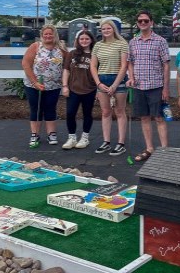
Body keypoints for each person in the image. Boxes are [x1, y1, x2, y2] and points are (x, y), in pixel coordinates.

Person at [127, 10, 170, 162]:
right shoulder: (133, 42)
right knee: (144, 118)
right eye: (140, 21)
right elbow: (130, 62)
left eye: (146, 20)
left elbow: (166, 65)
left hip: (156, 86)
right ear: (137, 24)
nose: (143, 23)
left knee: (159, 118)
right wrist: (131, 78)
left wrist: (166, 88)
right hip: (139, 87)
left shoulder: (160, 41)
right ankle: (150, 148)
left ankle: (164, 150)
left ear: (152, 22)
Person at [22, 25, 67, 148]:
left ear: (55, 35)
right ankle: (34, 134)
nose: (48, 36)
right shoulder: (36, 46)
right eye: (45, 34)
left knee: (50, 108)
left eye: (50, 34)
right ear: (42, 35)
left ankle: (51, 134)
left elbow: (67, 65)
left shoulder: (61, 48)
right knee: (36, 109)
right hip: (34, 85)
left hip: (53, 85)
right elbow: (26, 64)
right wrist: (35, 82)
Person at [90, 19, 129, 156]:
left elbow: (124, 66)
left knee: (119, 112)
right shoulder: (98, 45)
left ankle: (120, 143)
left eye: (108, 28)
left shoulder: (122, 44)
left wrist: (115, 85)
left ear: (113, 29)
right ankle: (106, 141)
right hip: (102, 80)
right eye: (103, 29)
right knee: (105, 112)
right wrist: (98, 83)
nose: (106, 31)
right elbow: (93, 66)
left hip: (118, 80)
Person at [61, 30, 97, 149]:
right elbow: (66, 70)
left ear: (91, 40)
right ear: (78, 40)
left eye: (87, 39)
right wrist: (65, 86)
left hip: (90, 89)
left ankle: (85, 138)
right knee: (70, 113)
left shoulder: (95, 54)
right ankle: (72, 138)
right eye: (81, 39)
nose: (84, 41)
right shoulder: (72, 54)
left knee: (87, 114)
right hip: (73, 89)